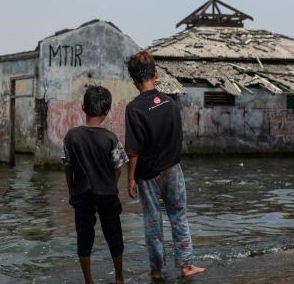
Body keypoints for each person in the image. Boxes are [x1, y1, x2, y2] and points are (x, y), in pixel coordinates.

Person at [124, 50, 206, 278]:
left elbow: (133, 148)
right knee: (179, 217)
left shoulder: (134, 108)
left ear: (133, 80)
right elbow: (177, 137)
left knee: (152, 221)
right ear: (156, 73)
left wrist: (130, 179)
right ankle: (186, 266)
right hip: (173, 169)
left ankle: (156, 271)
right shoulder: (170, 103)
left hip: (147, 175)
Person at [61, 85, 129, 284]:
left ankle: (88, 281)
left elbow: (68, 167)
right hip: (107, 193)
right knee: (114, 235)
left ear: (83, 107)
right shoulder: (110, 138)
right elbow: (118, 167)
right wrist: (111, 184)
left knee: (84, 238)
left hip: (81, 193)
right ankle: (119, 278)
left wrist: (71, 191)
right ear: (107, 110)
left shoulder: (71, 136)